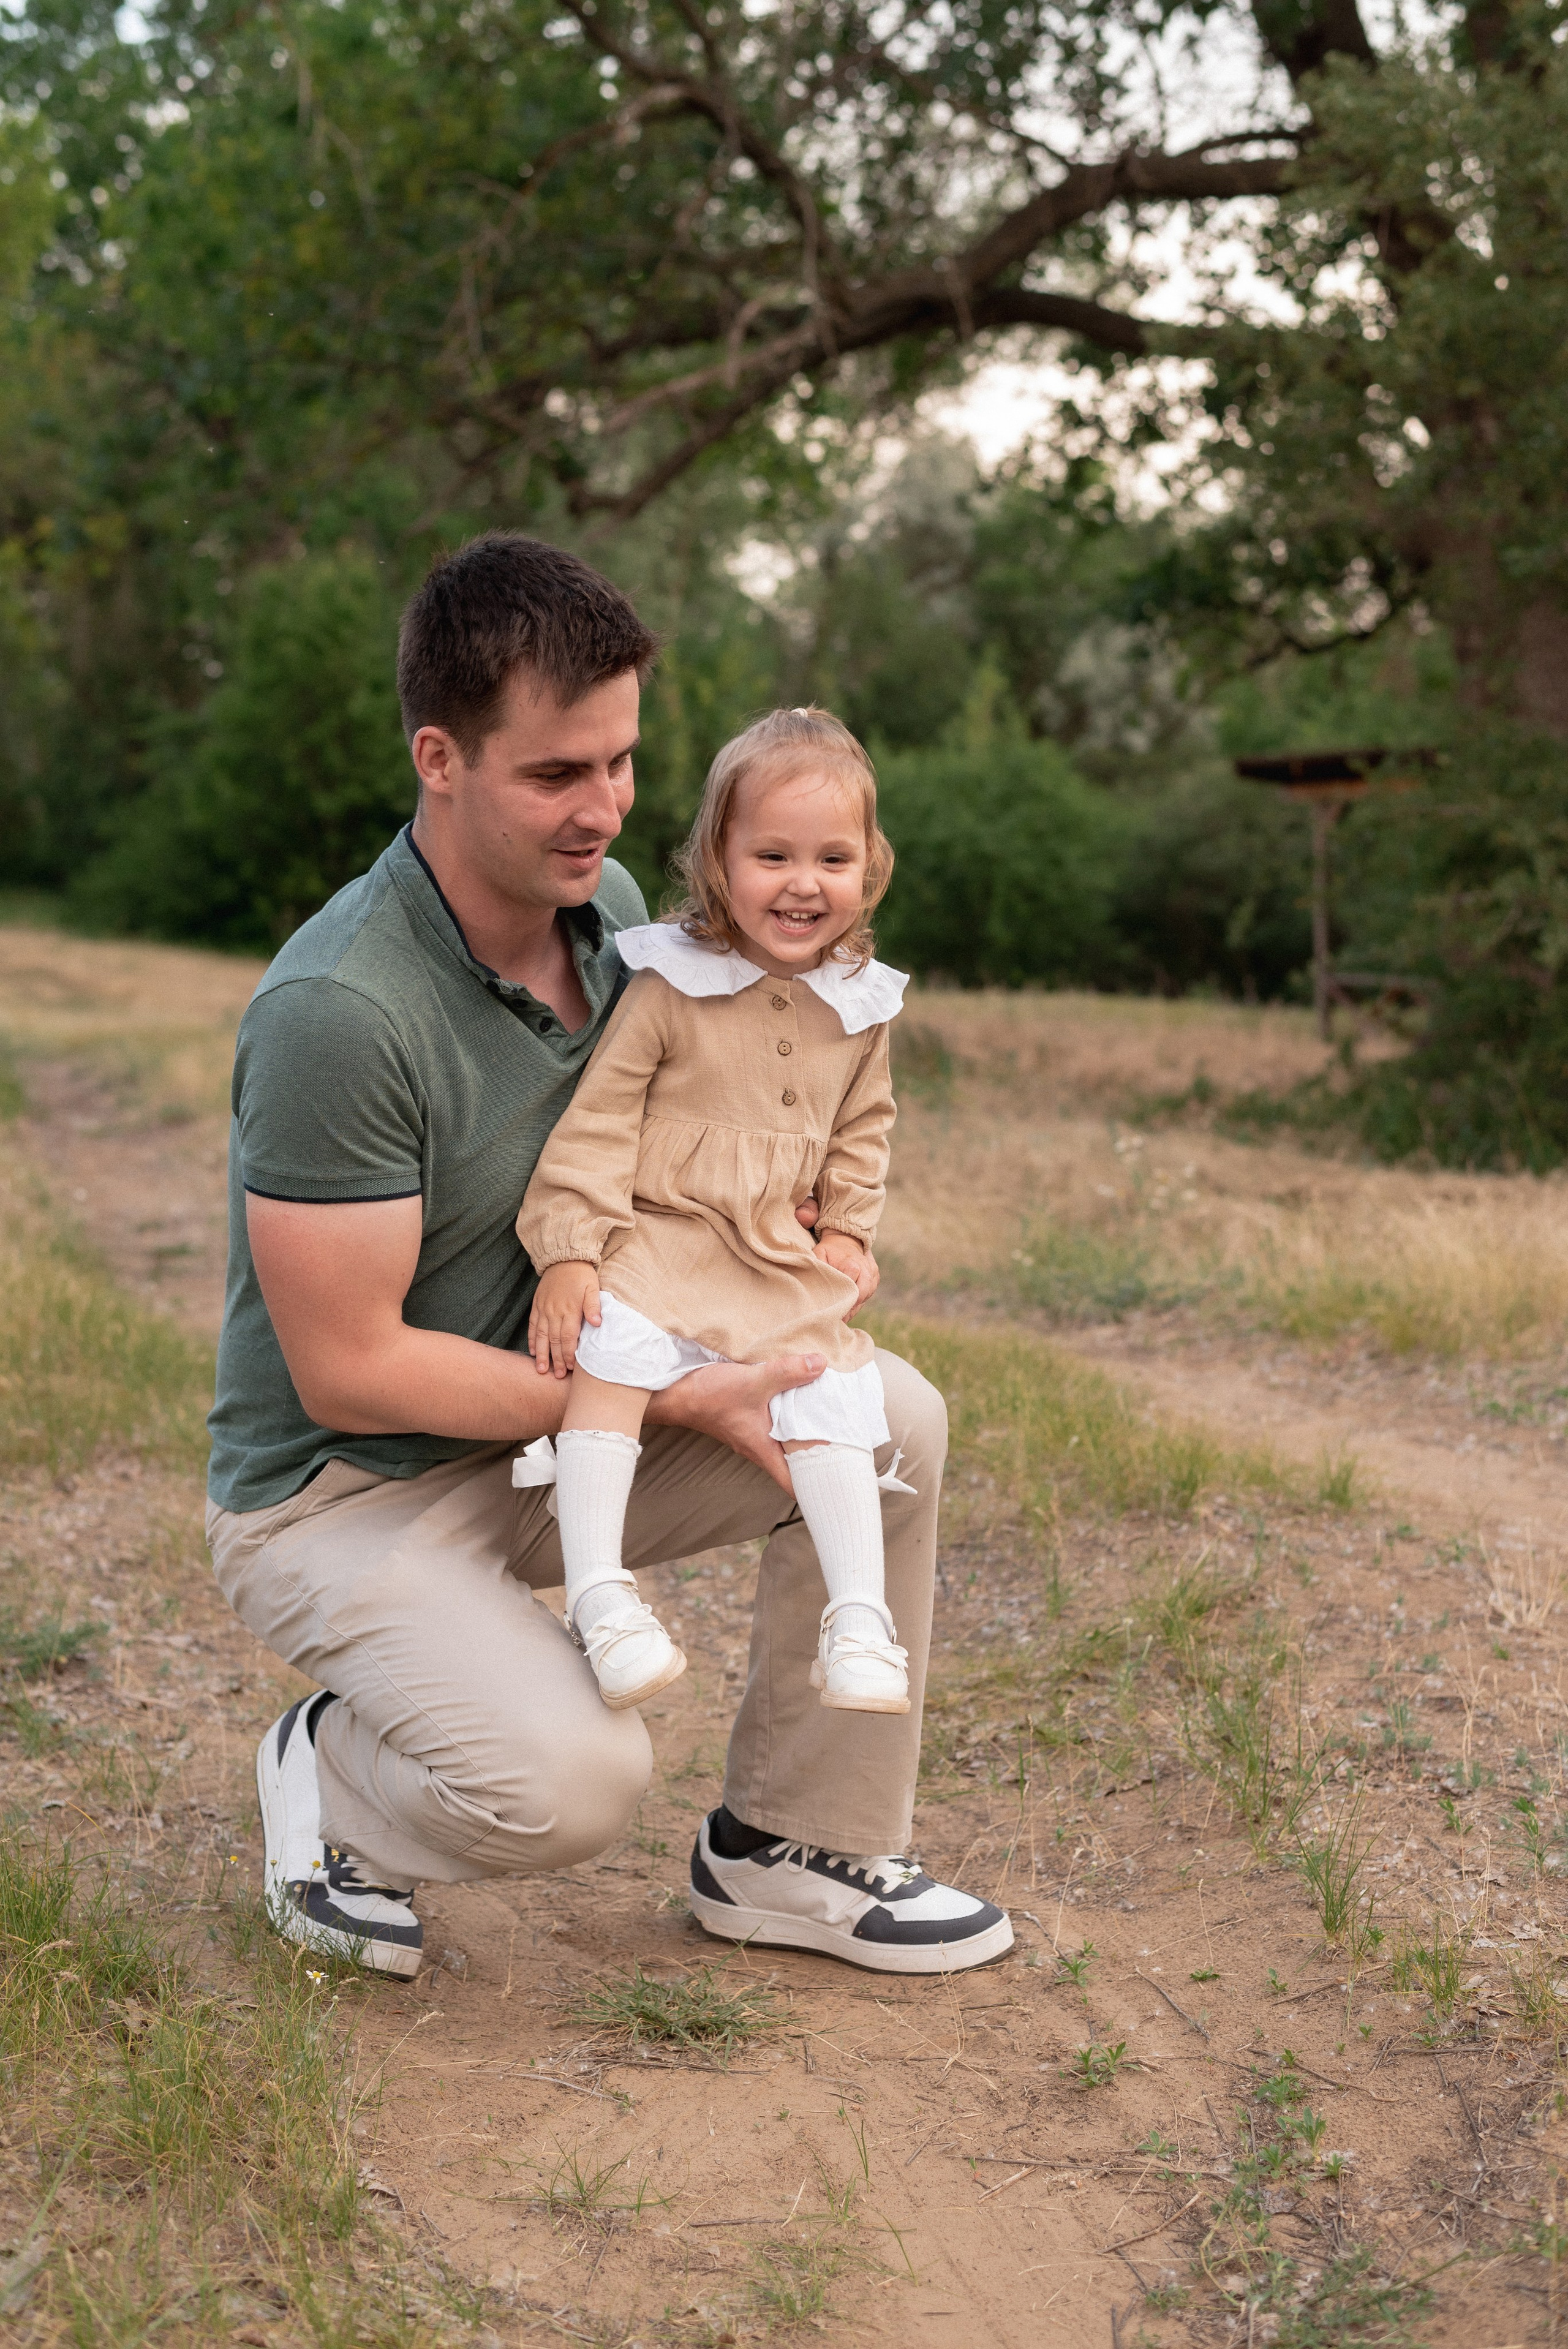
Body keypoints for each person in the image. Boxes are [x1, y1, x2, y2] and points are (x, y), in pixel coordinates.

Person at [204, 532, 1013, 1982]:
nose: (604, 810)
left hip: (558, 1420)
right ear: (439, 756)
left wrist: (799, 1266)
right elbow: (347, 1364)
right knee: (572, 1782)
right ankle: (328, 1776)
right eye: (556, 775)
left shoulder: (621, 919)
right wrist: (672, 1398)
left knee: (884, 1413)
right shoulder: (338, 1011)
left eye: (624, 762)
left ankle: (787, 1849)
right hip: (343, 1490)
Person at [516, 706, 914, 1719]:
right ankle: (600, 1588)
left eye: (833, 857)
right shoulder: (672, 984)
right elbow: (601, 1120)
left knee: (827, 1387)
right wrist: (571, 1253)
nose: (802, 882)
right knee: (612, 1343)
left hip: (774, 1249)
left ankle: (860, 1615)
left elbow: (865, 1126)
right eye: (771, 854)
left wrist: (849, 1228)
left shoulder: (861, 1005)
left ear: (869, 868)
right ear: (718, 860)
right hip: (661, 1229)